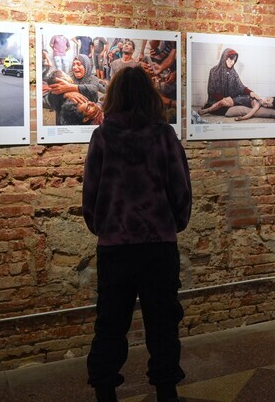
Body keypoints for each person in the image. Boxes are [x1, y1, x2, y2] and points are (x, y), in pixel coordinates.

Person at [82, 65, 192, 402]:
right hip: (158, 244)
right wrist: (173, 223)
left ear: (114, 95)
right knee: (162, 322)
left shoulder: (102, 137)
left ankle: (105, 391)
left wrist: (103, 227)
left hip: (115, 246)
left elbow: (91, 193)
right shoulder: (163, 135)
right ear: (148, 96)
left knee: (110, 324)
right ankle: (165, 391)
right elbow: (180, 188)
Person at [203, 48, 259, 114]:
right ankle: (209, 108)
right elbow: (211, 91)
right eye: (231, 59)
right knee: (223, 107)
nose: (232, 62)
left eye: (234, 60)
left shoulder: (233, 73)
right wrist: (223, 98)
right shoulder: (214, 71)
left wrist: (251, 93)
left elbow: (241, 87)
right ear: (224, 58)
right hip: (217, 101)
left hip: (230, 100)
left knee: (247, 98)